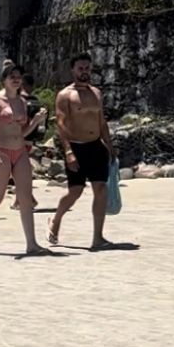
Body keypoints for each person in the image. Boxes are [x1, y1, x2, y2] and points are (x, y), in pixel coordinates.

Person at [0, 63, 49, 255]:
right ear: (4, 80)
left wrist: (35, 122)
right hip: (2, 151)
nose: (16, 79)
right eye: (12, 76)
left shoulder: (22, 102)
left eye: (18, 76)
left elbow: (22, 132)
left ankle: (31, 244)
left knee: (25, 199)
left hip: (20, 151)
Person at [49, 52, 118, 250]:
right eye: (80, 68)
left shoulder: (96, 93)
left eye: (87, 68)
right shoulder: (65, 95)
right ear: (73, 70)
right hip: (76, 148)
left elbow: (101, 122)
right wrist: (68, 152)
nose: (84, 72)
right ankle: (56, 219)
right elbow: (61, 125)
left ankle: (98, 237)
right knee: (75, 192)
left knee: (101, 189)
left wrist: (110, 145)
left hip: (96, 146)